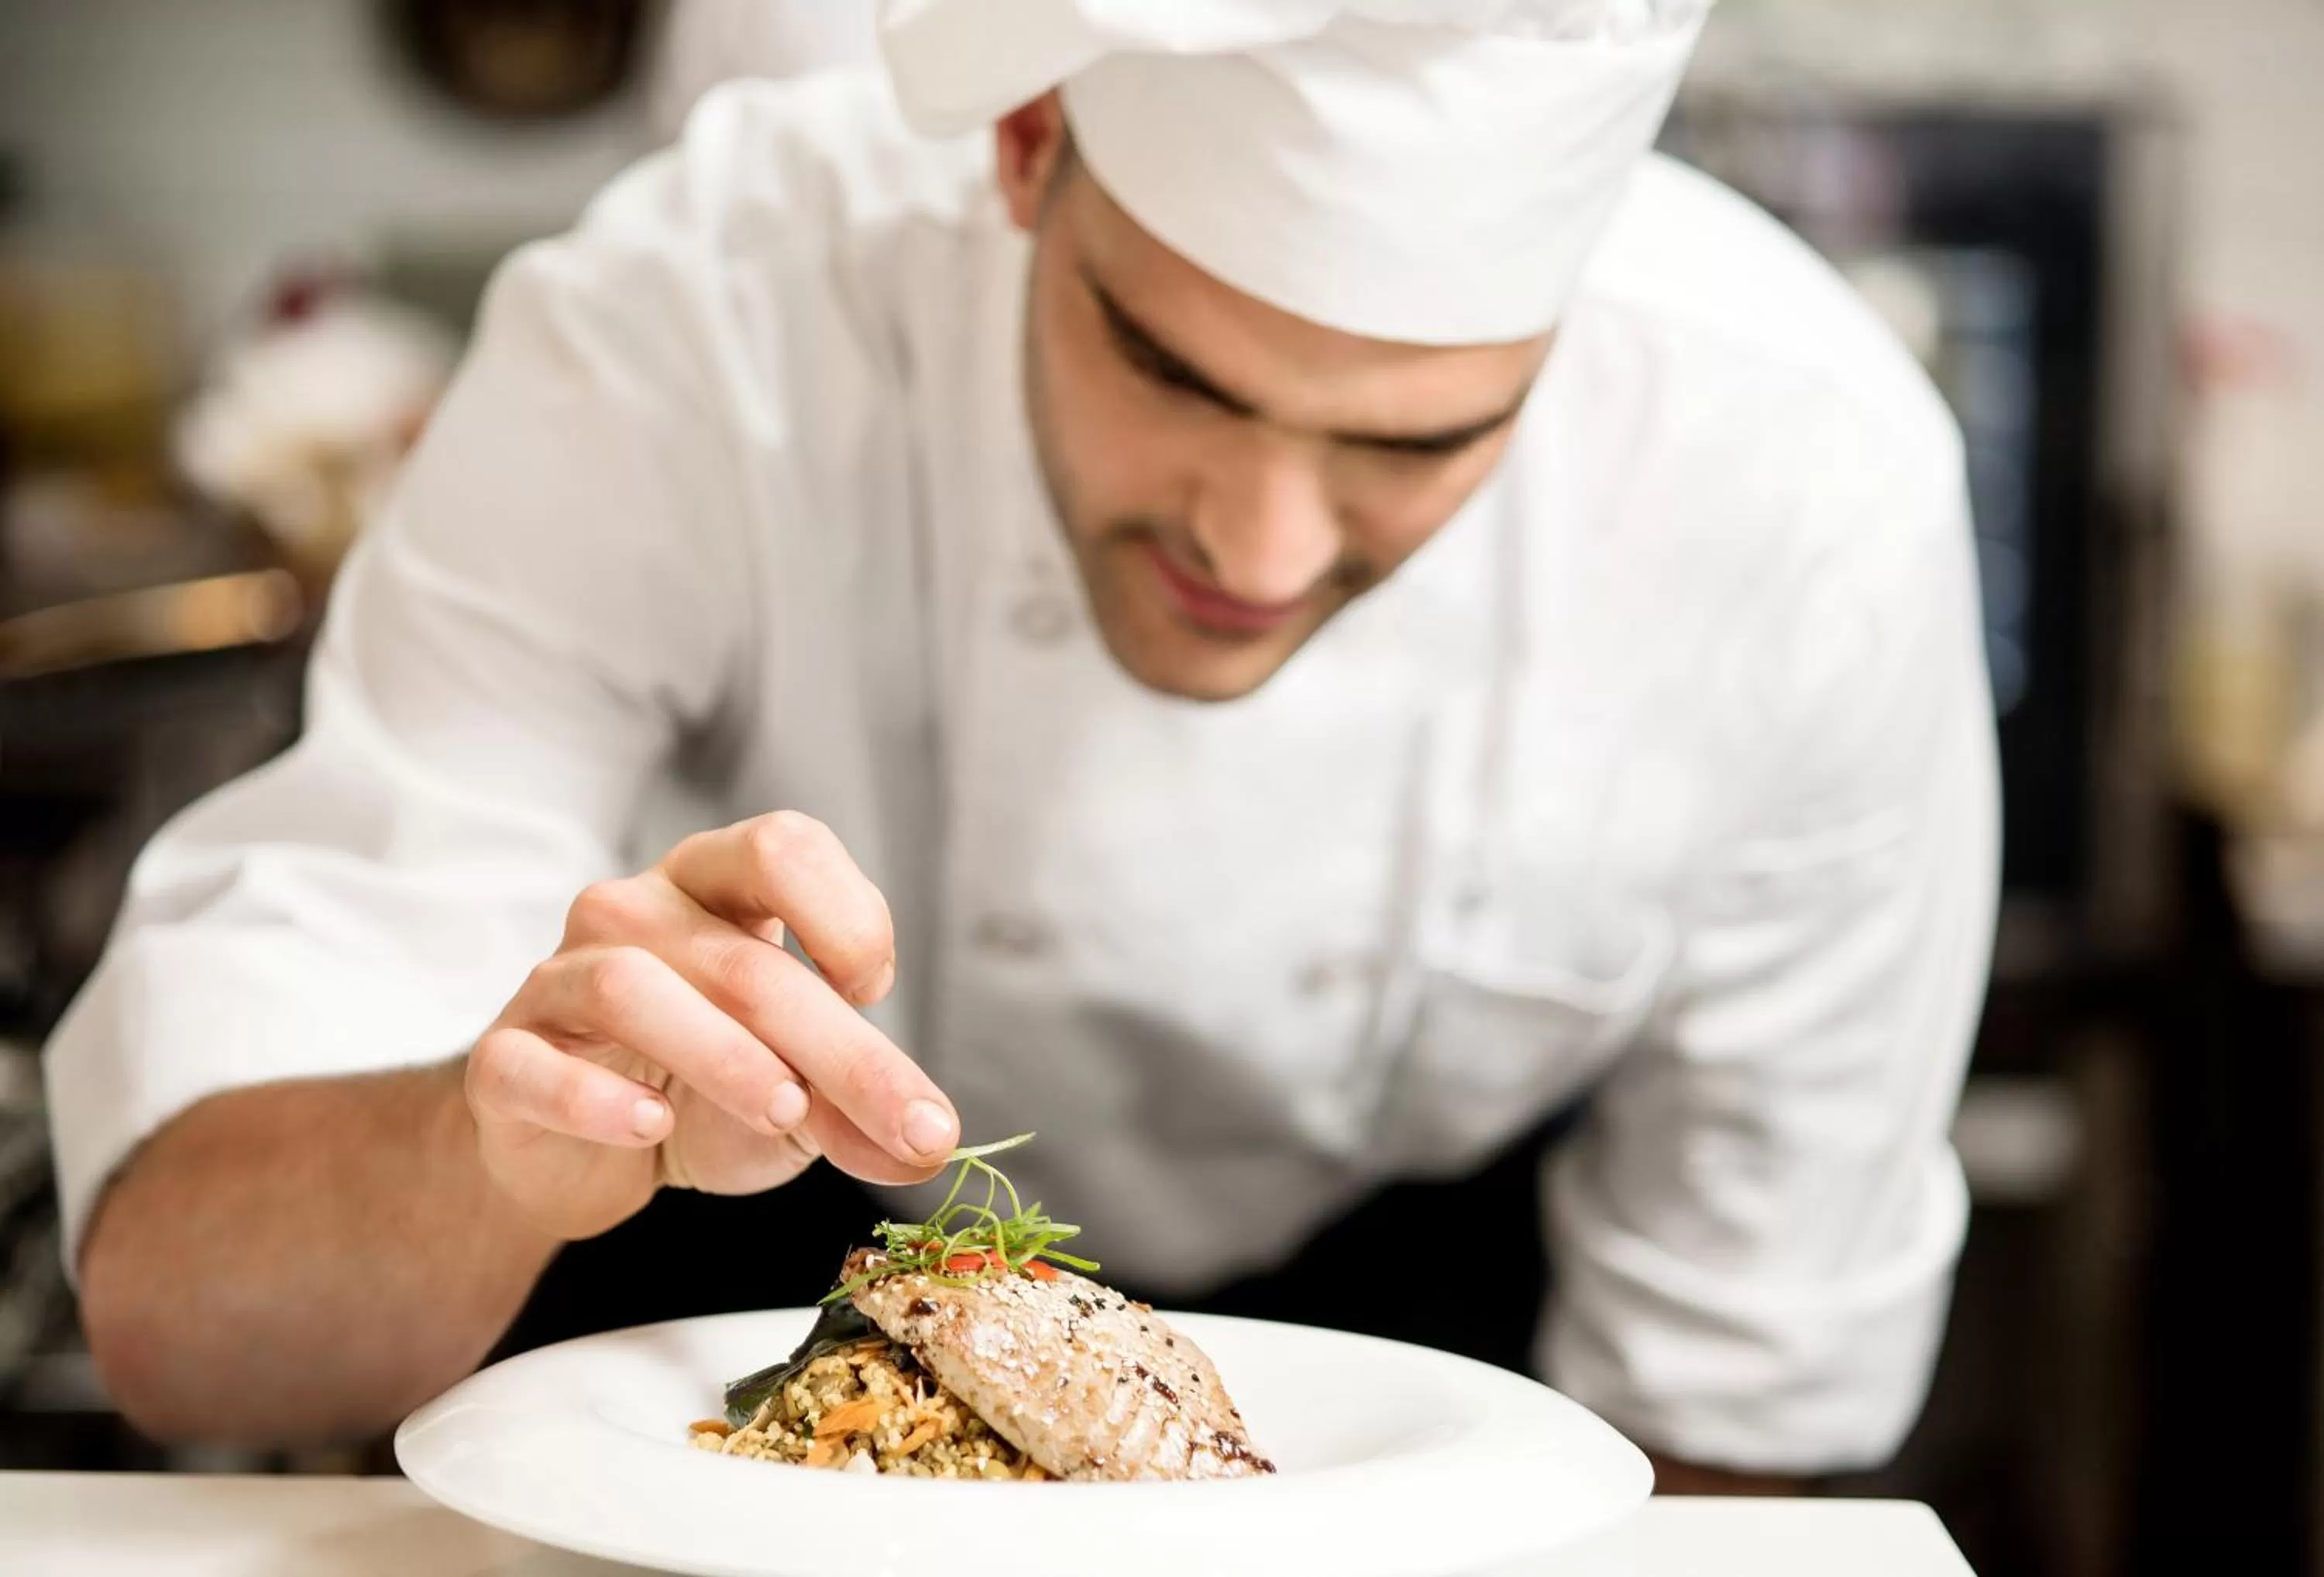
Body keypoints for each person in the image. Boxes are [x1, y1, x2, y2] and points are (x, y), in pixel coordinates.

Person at [46, 0, 1998, 1494]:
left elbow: (1734, 1428)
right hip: (727, 1328)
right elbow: (173, 1320)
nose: (1259, 547)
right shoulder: (700, 322)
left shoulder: (1803, 493)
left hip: (1440, 1380)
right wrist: (493, 1164)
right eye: (1170, 368)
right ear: (1029, 142)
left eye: (1414, 445)